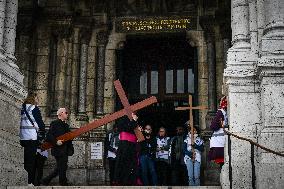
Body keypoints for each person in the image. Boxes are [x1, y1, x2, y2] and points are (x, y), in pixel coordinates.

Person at [41, 108, 73, 186]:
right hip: (58, 149)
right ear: (60, 114)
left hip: (65, 149)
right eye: (66, 112)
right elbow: (49, 135)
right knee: (62, 166)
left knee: (62, 166)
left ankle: (46, 180)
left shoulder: (66, 125)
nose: (67, 114)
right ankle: (63, 183)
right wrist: (56, 142)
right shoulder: (55, 123)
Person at [20, 92, 45, 186]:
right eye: (37, 98)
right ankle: (29, 181)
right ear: (33, 98)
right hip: (31, 137)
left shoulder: (21, 107)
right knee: (31, 161)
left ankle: (23, 179)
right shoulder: (34, 108)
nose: (38, 100)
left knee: (24, 159)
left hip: (22, 137)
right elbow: (40, 123)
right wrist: (42, 132)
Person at [113, 113, 141, 186]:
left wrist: (139, 130)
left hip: (132, 146)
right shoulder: (123, 120)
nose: (133, 114)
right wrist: (134, 121)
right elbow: (127, 128)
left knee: (131, 165)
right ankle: (121, 181)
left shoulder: (135, 121)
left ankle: (130, 181)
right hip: (125, 146)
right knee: (124, 164)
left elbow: (139, 136)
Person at [208, 96, 228, 167]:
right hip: (220, 142)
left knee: (223, 165)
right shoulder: (223, 112)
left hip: (220, 143)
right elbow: (214, 126)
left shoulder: (221, 112)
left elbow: (213, 126)